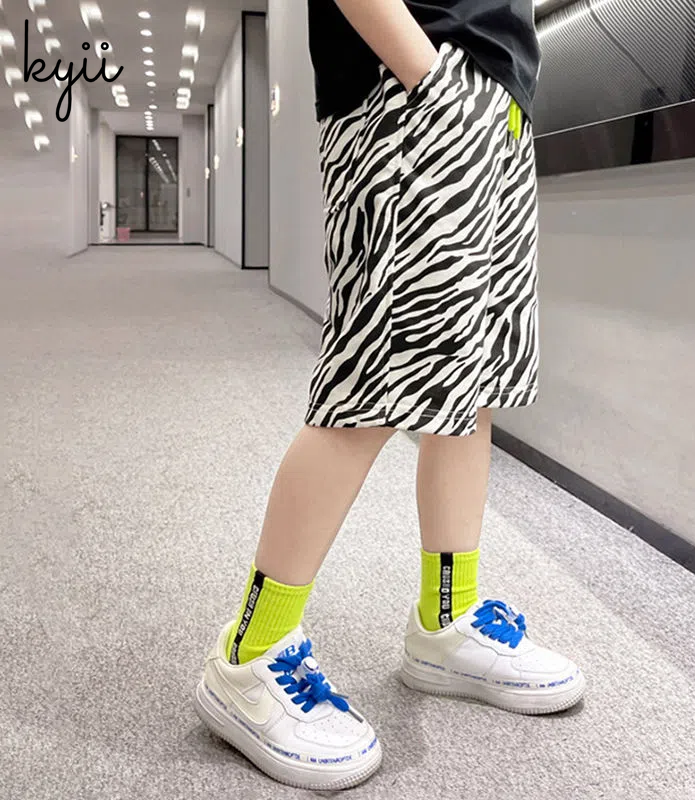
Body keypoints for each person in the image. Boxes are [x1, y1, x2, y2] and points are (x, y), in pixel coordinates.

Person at [193, 0, 586, 790]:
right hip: (416, 87)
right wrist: (427, 77)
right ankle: (249, 653)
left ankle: (448, 619)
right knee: (369, 385)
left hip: (493, 101)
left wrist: (481, 101)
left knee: (471, 385)